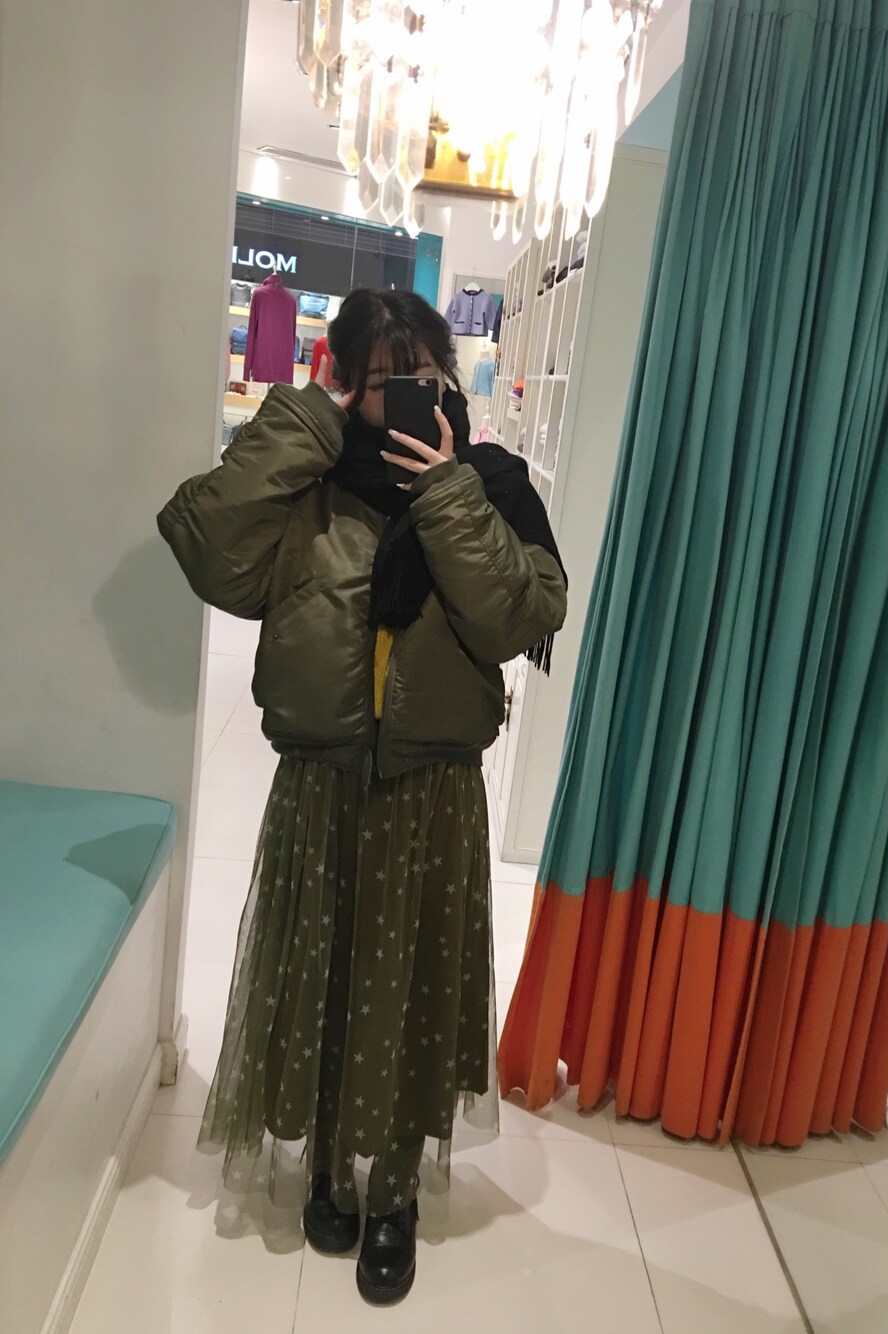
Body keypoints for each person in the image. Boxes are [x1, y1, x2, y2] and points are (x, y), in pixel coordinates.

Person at [157, 288, 567, 1306]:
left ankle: (394, 1192)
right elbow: (207, 548)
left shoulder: (491, 484)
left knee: (410, 988)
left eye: (420, 371)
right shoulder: (309, 480)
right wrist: (305, 419)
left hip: (432, 788)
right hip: (323, 776)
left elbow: (519, 615)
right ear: (344, 380)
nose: (404, 393)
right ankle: (328, 1167)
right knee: (323, 977)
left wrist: (447, 495)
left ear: (447, 375)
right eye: (380, 378)